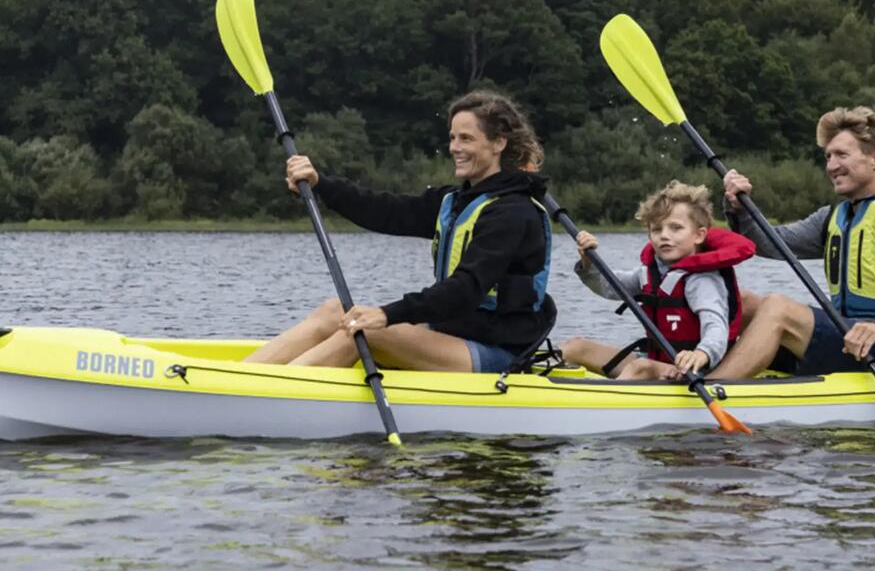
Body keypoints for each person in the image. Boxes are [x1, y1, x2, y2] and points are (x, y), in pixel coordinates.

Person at [245, 91, 555, 373]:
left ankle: (262, 395)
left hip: (496, 352)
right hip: (452, 334)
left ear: (498, 143)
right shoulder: (455, 201)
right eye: (452, 138)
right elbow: (386, 211)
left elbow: (465, 289)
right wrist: (321, 184)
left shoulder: (513, 213)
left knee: (363, 330)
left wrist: (387, 314)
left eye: (466, 139)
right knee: (333, 313)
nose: (454, 148)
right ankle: (245, 377)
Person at [709, 105, 875, 380]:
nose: (831, 166)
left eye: (841, 154)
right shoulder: (832, 217)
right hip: (847, 338)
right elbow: (771, 244)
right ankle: (682, 367)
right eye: (828, 156)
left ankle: (710, 388)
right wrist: (739, 207)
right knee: (735, 301)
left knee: (778, 307)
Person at [561, 181, 755, 381]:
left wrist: (700, 354)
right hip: (661, 363)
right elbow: (610, 288)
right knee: (576, 347)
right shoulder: (651, 272)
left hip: (693, 369)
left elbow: (716, 327)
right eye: (657, 229)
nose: (664, 236)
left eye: (676, 228)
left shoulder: (702, 280)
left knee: (640, 368)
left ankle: (604, 405)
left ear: (699, 235)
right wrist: (588, 263)